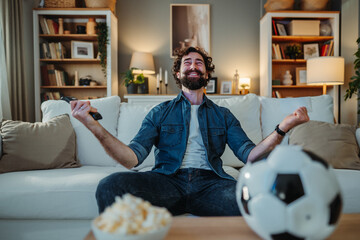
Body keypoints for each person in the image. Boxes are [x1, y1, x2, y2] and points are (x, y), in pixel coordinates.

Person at [70, 46, 309, 216]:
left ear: (206, 74)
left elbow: (250, 156)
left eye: (199, 63)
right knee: (110, 185)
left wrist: (282, 128)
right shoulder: (159, 112)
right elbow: (131, 159)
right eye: (187, 63)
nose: (193, 66)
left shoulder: (223, 115)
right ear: (178, 73)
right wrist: (94, 126)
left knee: (259, 196)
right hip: (166, 181)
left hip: (212, 185)